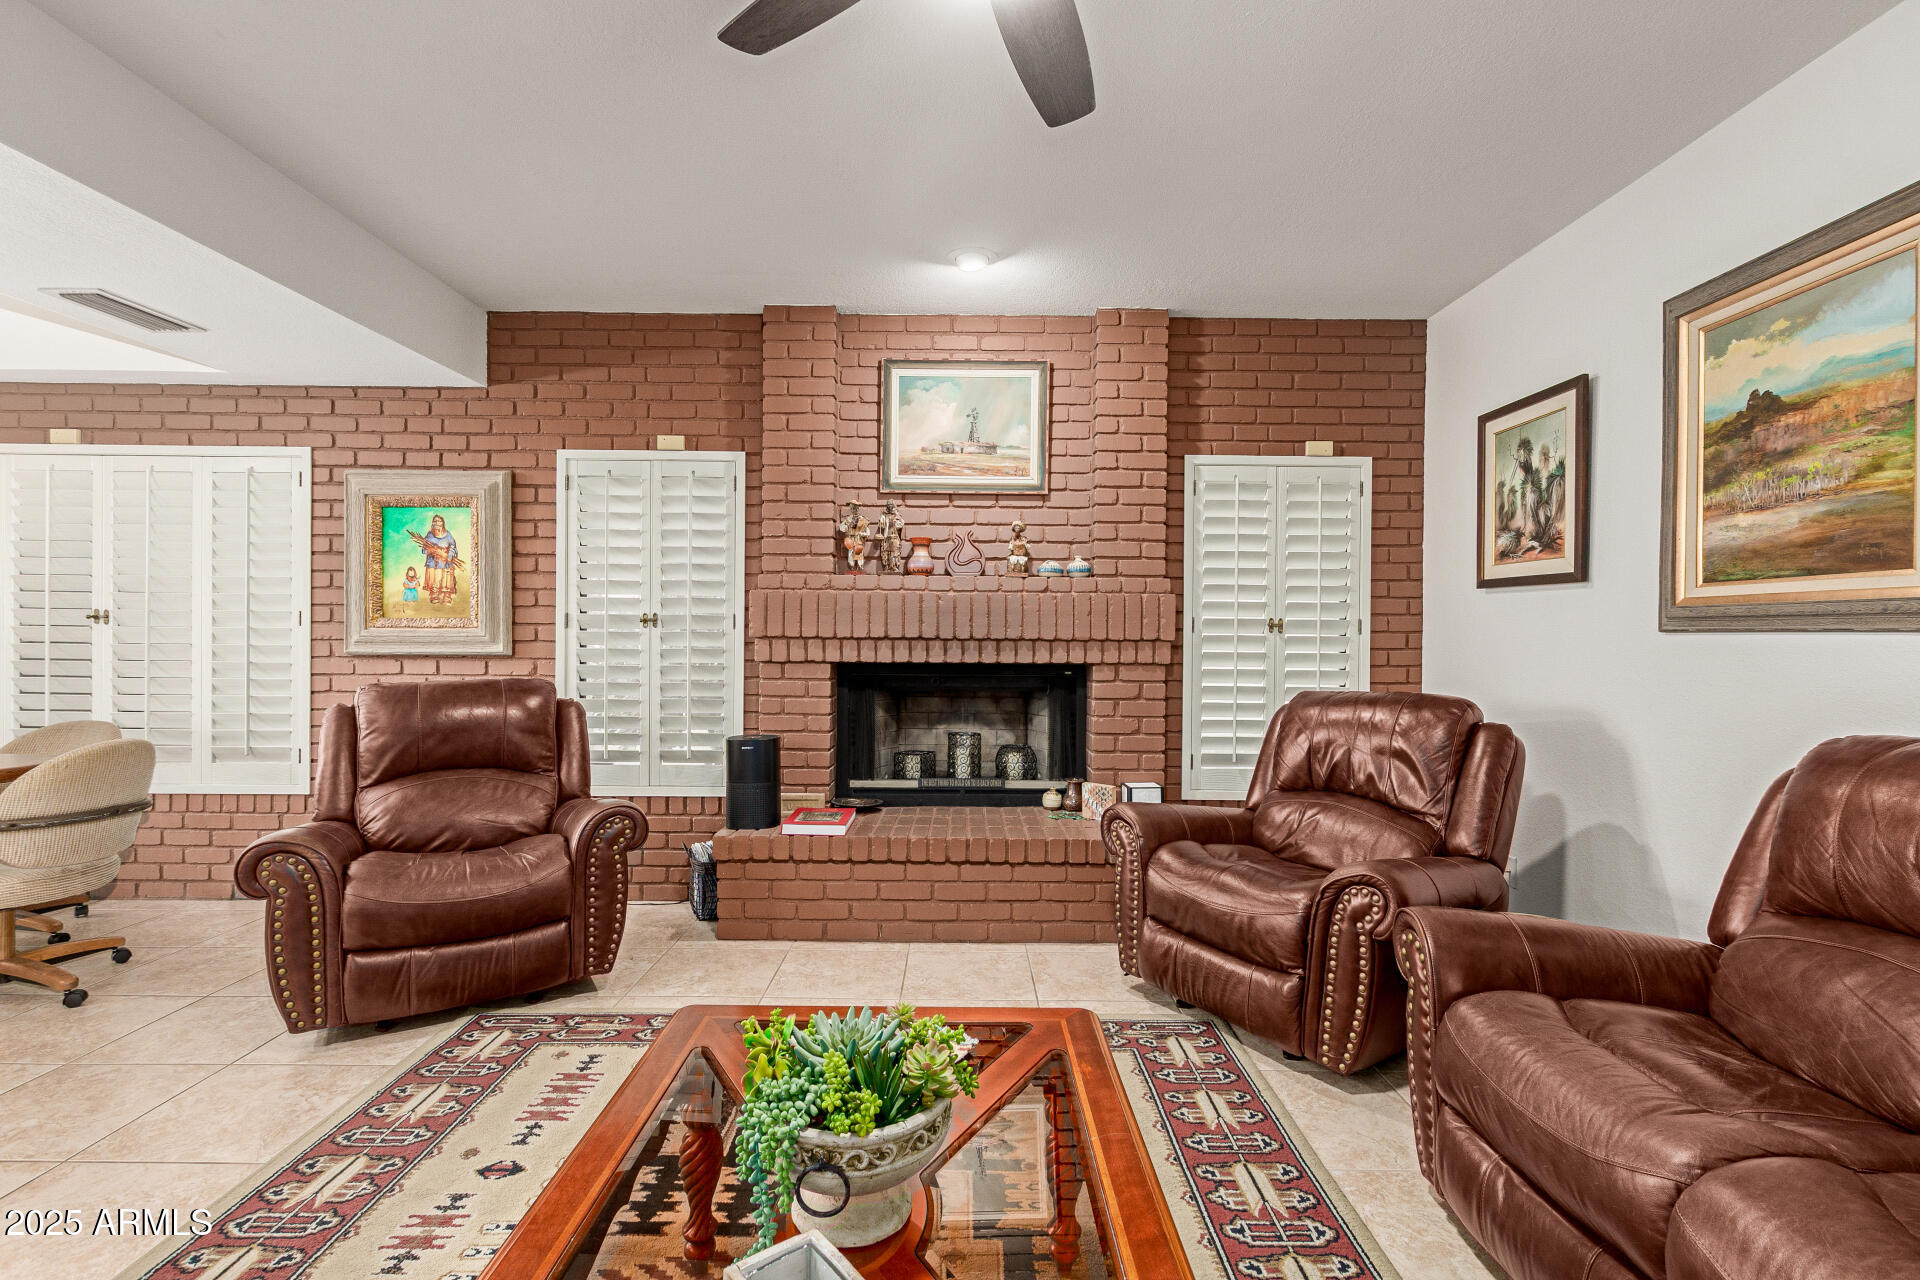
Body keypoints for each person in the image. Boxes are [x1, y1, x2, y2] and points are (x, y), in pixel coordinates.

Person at [417, 514, 459, 605]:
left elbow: (453, 546)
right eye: (435, 521)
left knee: (446, 577)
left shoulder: (447, 534)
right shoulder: (429, 535)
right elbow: (424, 550)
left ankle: (446, 595)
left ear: (443, 523)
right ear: (432, 524)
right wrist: (431, 550)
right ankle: (434, 595)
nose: (437, 523)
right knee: (434, 578)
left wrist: (449, 555)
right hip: (433, 562)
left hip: (445, 562)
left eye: (439, 521)